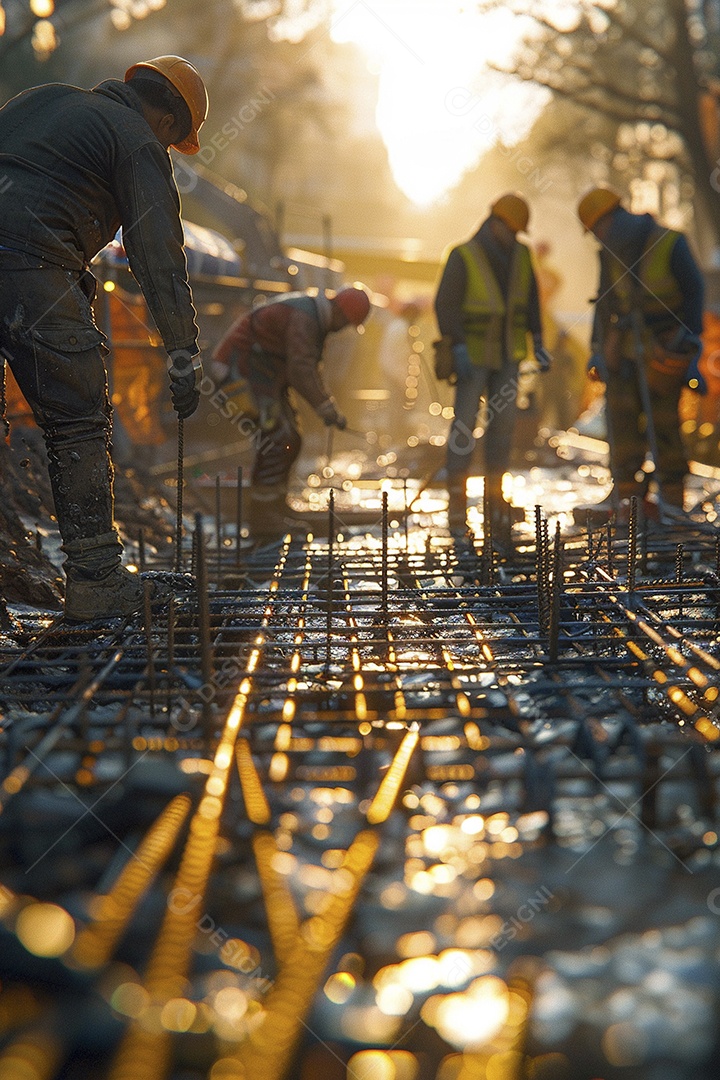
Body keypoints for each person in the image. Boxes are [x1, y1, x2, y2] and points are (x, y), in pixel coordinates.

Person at [0, 56, 208, 621]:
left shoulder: (41, 97)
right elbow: (158, 255)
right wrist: (183, 351)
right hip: (30, 267)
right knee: (77, 416)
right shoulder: (137, 140)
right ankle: (95, 581)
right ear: (169, 124)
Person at [577, 186, 705, 517]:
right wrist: (598, 350)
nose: (597, 239)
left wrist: (688, 339)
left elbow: (694, 292)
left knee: (663, 424)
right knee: (621, 424)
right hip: (625, 350)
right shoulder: (610, 252)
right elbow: (604, 303)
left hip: (663, 348)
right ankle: (626, 497)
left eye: (596, 231)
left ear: (609, 220)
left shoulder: (670, 243)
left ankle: (672, 501)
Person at [210, 286, 371, 539]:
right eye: (346, 322)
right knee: (277, 439)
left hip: (262, 376)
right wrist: (324, 407)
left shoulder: (311, 317)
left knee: (290, 439)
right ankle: (263, 517)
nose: (343, 328)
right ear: (339, 311)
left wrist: (325, 405)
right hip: (240, 373)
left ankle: (275, 507)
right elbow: (300, 369)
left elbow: (305, 367)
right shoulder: (305, 320)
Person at [434, 192, 551, 536]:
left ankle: (494, 503)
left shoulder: (521, 255)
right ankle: (457, 507)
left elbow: (531, 302)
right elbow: (446, 305)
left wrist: (539, 341)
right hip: (473, 356)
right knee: (464, 428)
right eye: (511, 230)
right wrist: (456, 347)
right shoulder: (463, 255)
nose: (514, 237)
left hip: (508, 357)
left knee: (503, 427)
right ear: (494, 222)